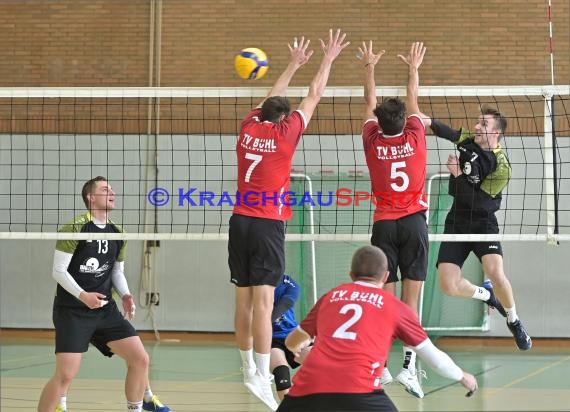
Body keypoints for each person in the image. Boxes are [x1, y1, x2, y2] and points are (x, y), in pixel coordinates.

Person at [228, 29, 349, 411]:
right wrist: (326, 59)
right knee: (264, 305)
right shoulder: (285, 135)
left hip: (240, 222)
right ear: (284, 120)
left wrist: (292, 64)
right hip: (265, 226)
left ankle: (248, 367)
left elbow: (268, 100)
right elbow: (313, 95)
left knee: (243, 303)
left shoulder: (248, 128)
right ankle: (262, 375)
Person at [276, 245, 477, 412]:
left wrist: (295, 346)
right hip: (360, 391)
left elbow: (293, 340)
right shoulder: (396, 307)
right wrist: (462, 375)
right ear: (386, 276)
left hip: (309, 388)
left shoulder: (330, 297)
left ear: (351, 274)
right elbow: (433, 357)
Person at [38, 176, 170, 412]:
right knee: (65, 374)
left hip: (105, 310)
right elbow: (58, 271)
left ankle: (137, 408)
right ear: (91, 197)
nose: (112, 192)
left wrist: (127, 294)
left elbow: (117, 270)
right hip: (74, 311)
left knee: (140, 359)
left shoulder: (118, 232)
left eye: (112, 189)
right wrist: (83, 296)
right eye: (105, 189)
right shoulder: (75, 228)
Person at [359, 41, 431, 398]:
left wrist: (370, 67)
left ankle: (378, 367)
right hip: (415, 222)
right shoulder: (417, 135)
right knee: (410, 302)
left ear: (380, 122)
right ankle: (408, 368)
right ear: (404, 122)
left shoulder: (371, 140)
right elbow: (414, 98)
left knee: (380, 301)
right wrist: (413, 67)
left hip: (384, 224)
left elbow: (368, 104)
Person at [430, 105, 532, 351]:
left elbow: (479, 202)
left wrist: (456, 176)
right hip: (456, 222)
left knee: (495, 273)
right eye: (477, 122)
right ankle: (486, 295)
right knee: (448, 285)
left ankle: (513, 319)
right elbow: (439, 128)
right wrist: (418, 117)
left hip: (483, 222)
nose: (476, 127)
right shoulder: (469, 139)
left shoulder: (502, 167)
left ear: (496, 133)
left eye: (483, 124)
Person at [270, 274, 308, 401]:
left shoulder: (290, 284)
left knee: (321, 364)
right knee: (281, 374)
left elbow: (285, 304)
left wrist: (265, 321)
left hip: (292, 335)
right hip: (271, 339)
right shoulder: (254, 284)